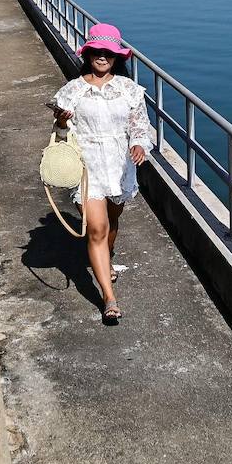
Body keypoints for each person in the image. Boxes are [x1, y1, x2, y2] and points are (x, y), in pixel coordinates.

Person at [48, 23, 154, 323]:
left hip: (120, 165)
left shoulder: (129, 90)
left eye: (109, 52)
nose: (103, 56)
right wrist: (61, 121)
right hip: (88, 166)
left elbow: (139, 126)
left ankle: (106, 260)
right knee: (96, 228)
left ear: (117, 57)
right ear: (88, 53)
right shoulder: (73, 90)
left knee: (112, 220)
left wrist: (138, 145)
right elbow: (59, 133)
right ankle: (108, 297)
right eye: (97, 51)